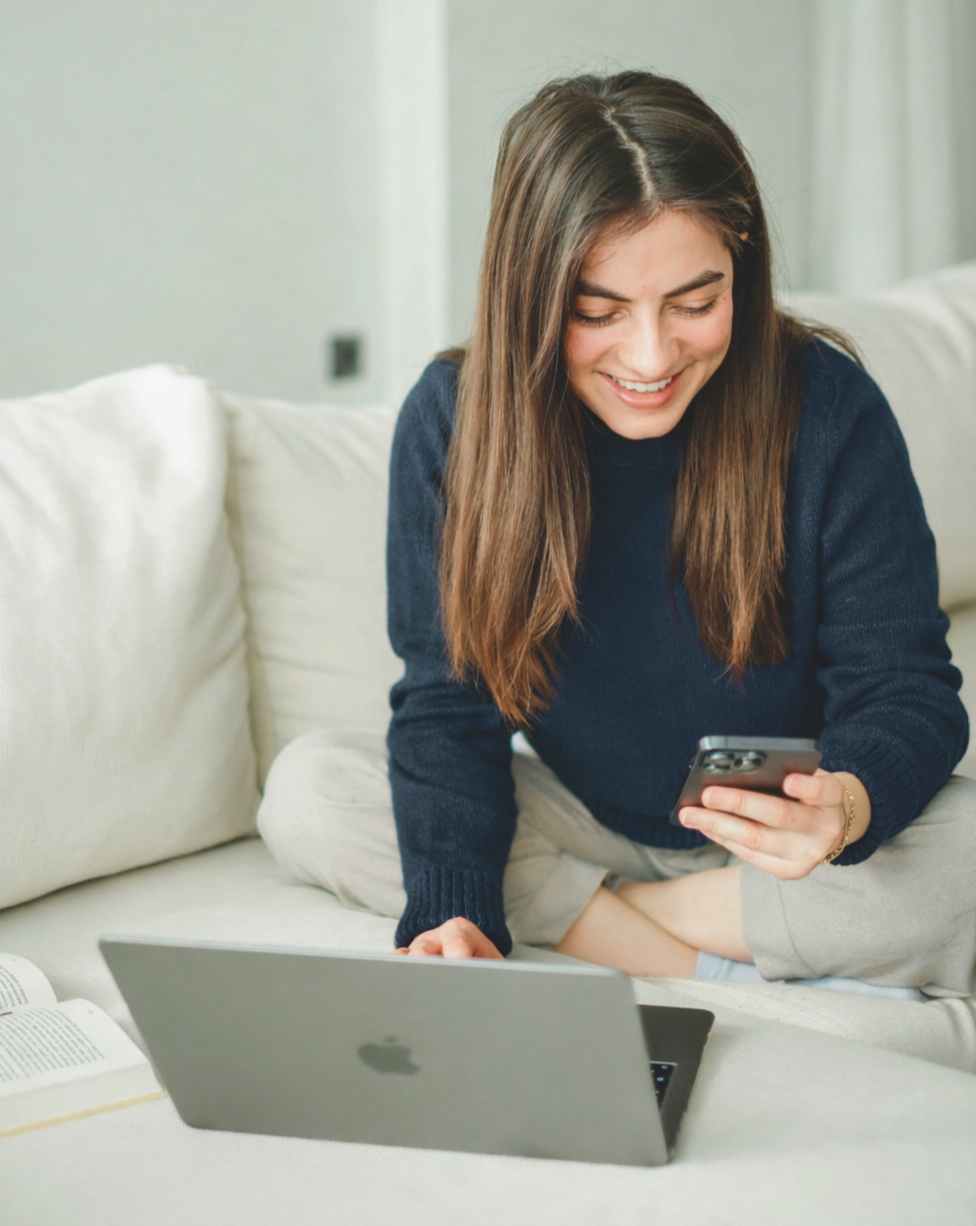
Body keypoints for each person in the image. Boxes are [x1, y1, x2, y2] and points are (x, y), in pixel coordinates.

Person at [258, 71, 974, 997]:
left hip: (776, 834)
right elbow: (448, 706)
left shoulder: (827, 408)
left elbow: (906, 691)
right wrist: (455, 912)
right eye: (597, 312)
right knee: (314, 790)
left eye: (693, 302)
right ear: (530, 290)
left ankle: (618, 927)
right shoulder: (454, 423)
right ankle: (708, 959)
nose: (650, 357)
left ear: (742, 259)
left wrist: (847, 804)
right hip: (575, 813)